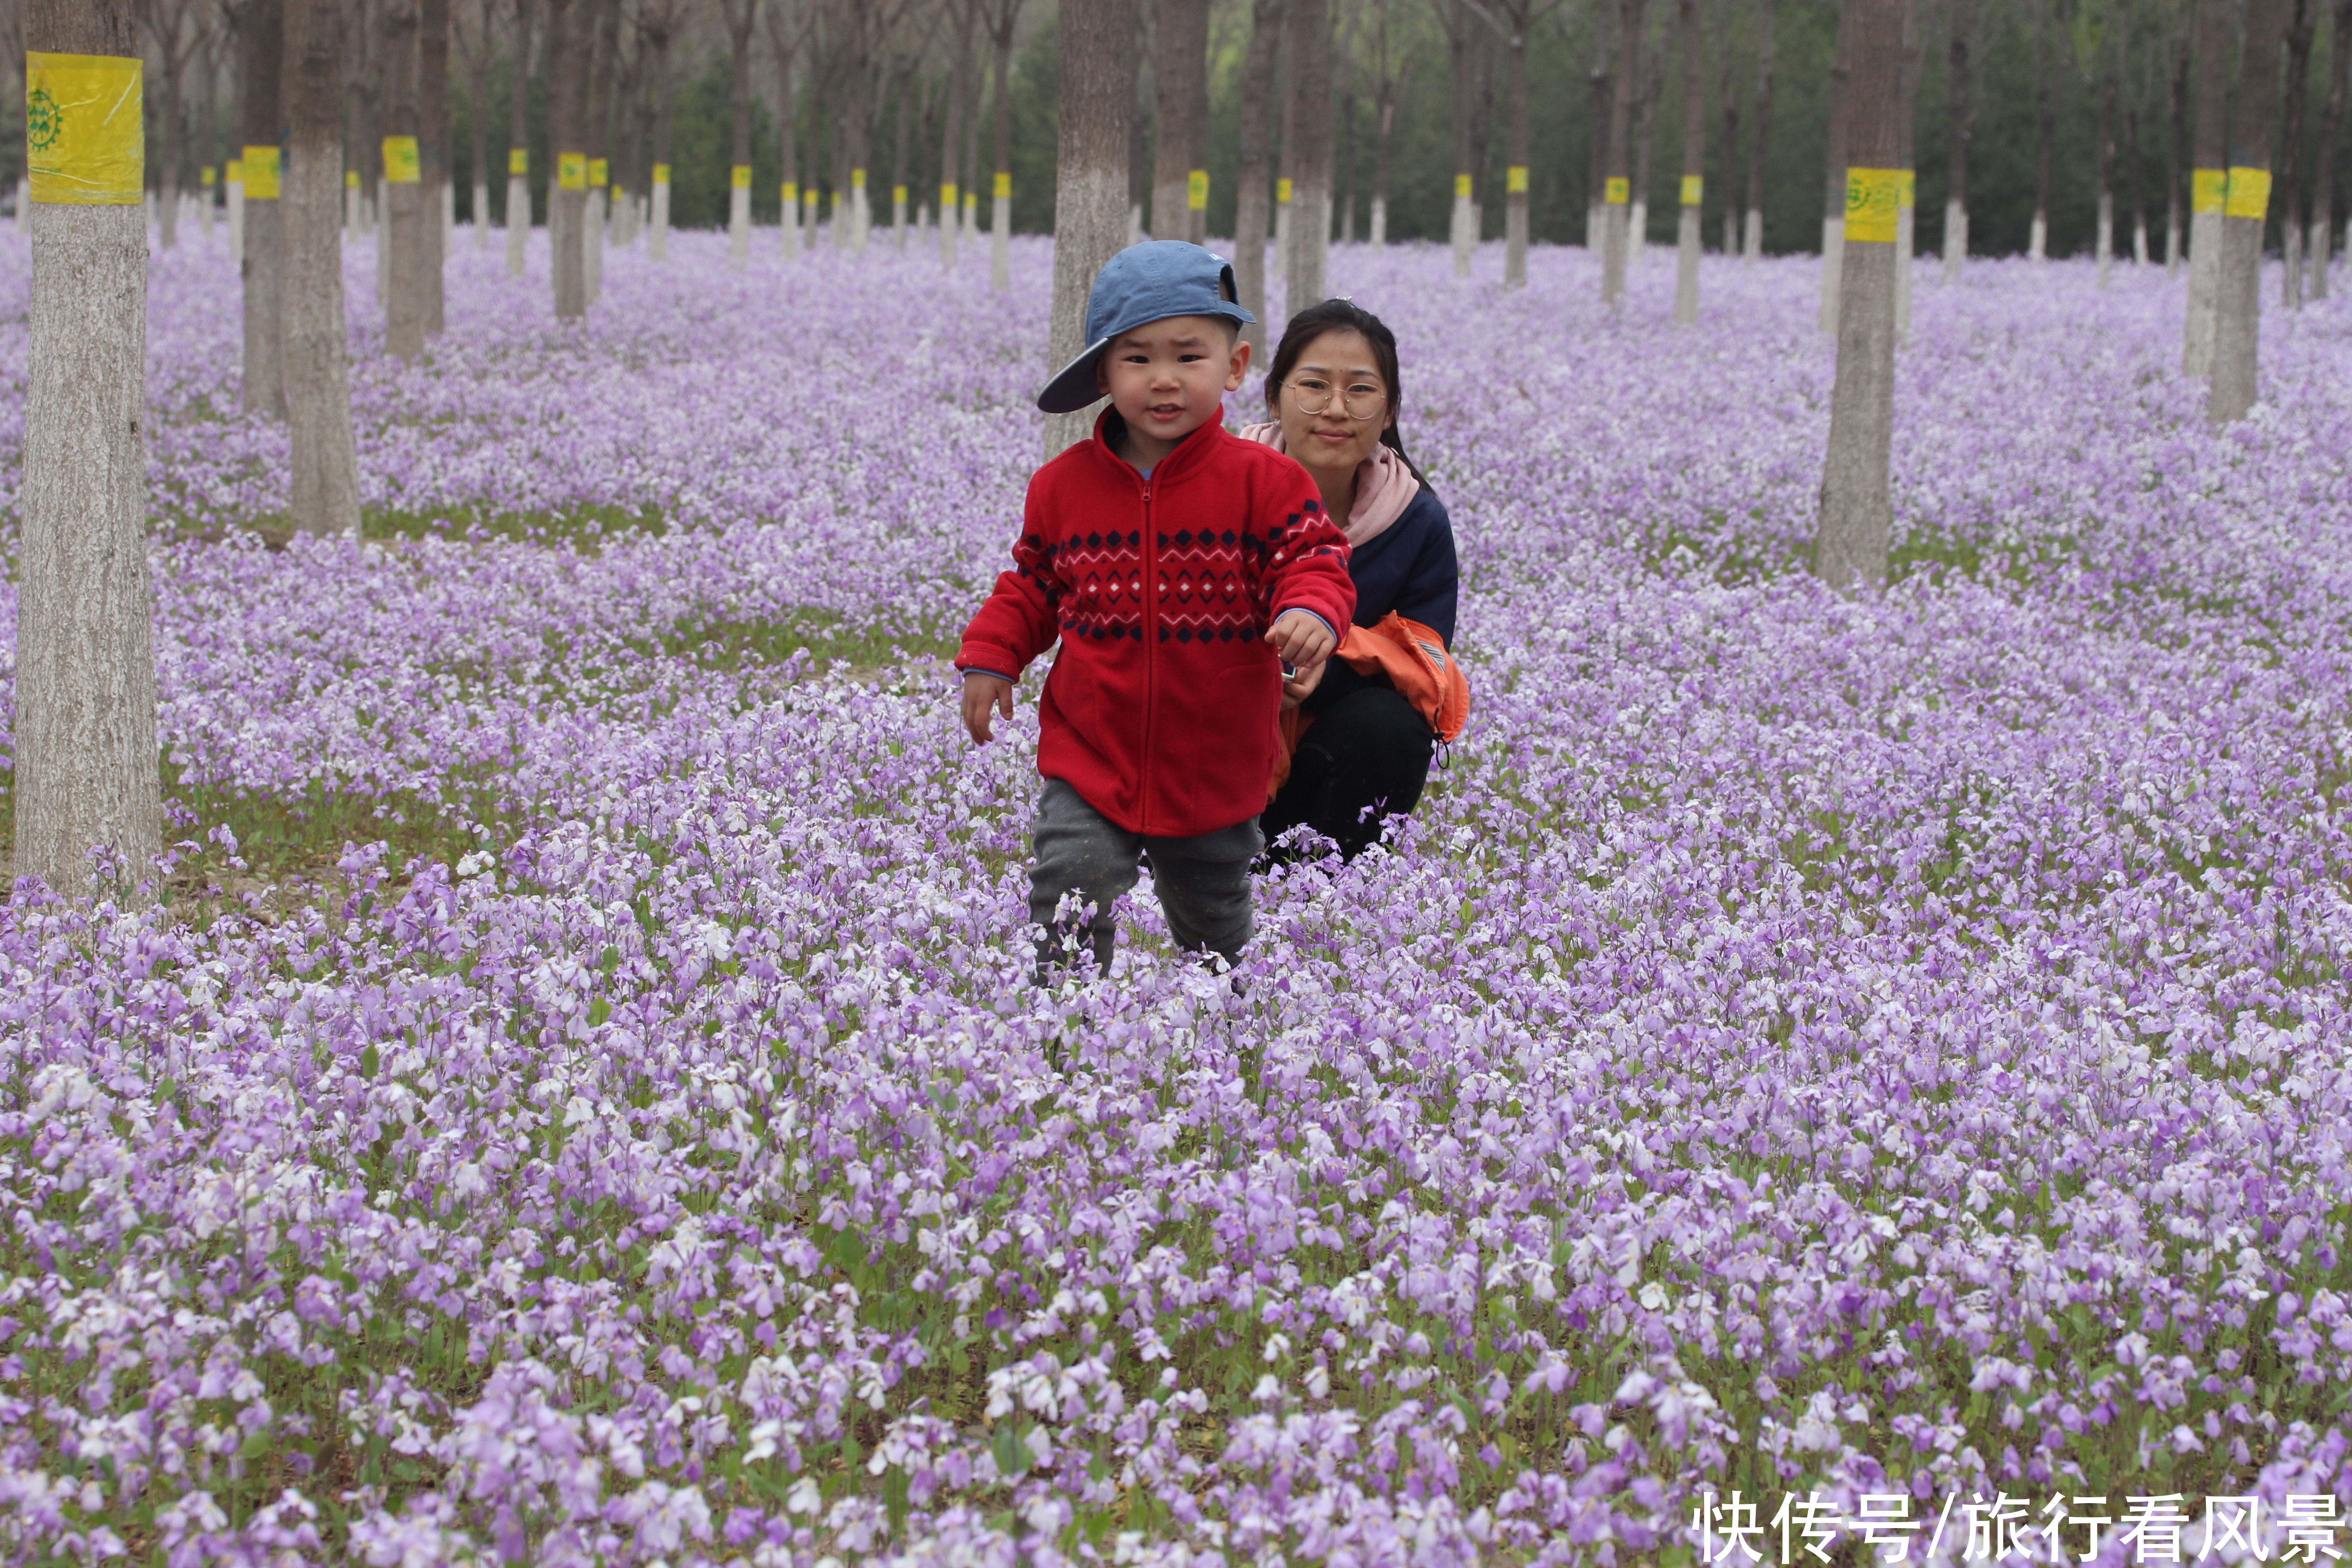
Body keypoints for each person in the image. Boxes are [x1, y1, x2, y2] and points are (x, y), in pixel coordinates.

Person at [957, 242, 1357, 976]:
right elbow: (1031, 585)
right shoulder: (1061, 487)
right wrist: (992, 655)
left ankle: (1233, 1023)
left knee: (1212, 920)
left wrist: (1311, 611)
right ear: (1102, 374)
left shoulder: (1265, 482)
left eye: (1188, 356)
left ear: (1234, 369)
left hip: (1214, 758)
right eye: (1137, 359)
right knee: (1071, 880)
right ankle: (1065, 1029)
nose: (1163, 380)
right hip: (1091, 750)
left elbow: (1314, 559)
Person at [1240, 299, 1461, 861]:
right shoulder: (1215, 491)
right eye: (1313, 385)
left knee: (1391, 725)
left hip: (1328, 759)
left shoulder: (1416, 521)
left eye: (1361, 391)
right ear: (1274, 397)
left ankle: (1326, 888)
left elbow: (1420, 665)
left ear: (1389, 412)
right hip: (1210, 746)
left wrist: (1321, 664)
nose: (1336, 409)